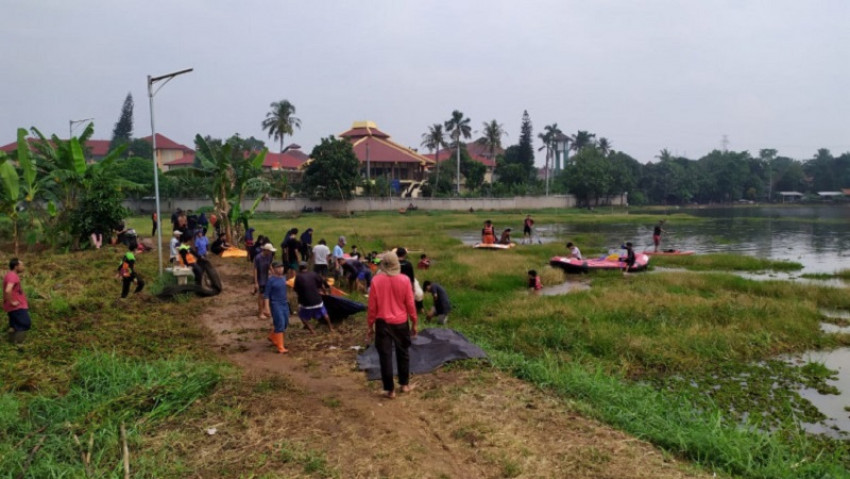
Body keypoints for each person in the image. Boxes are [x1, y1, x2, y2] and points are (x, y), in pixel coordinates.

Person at [367, 251, 418, 399]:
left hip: (382, 323)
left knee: (385, 356)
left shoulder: (376, 281)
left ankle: (390, 390)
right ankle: (405, 385)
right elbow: (410, 304)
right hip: (401, 323)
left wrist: (370, 326)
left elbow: (372, 307)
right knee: (403, 353)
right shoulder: (405, 280)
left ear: (383, 265)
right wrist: (414, 322)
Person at [293, 262, 334, 334]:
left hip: (306, 303)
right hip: (317, 300)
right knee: (325, 313)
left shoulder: (298, 277)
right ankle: (330, 327)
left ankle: (312, 331)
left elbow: (296, 290)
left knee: (302, 316)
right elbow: (321, 285)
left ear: (299, 269)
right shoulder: (313, 274)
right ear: (307, 267)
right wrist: (325, 293)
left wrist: (300, 300)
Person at [263, 261, 289, 353]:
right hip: (276, 304)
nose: (280, 269)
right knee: (280, 323)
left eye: (281, 267)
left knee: (285, 322)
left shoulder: (284, 278)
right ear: (273, 269)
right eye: (278, 267)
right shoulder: (271, 280)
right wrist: (266, 308)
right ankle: (280, 347)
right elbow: (266, 295)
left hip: (284, 303)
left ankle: (272, 336)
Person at [4, 258, 31, 345]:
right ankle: (18, 344)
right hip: (16, 306)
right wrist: (12, 302)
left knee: (15, 325)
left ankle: (11, 343)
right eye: (21, 265)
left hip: (14, 306)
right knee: (25, 323)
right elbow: (8, 290)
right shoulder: (12, 276)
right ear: (16, 266)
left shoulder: (10, 275)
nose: (23, 267)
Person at [254, 243, 276, 320]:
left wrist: (274, 273)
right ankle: (260, 313)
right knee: (261, 296)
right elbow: (255, 270)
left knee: (266, 296)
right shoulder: (258, 257)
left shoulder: (269, 256)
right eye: (270, 251)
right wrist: (256, 282)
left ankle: (264, 310)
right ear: (266, 250)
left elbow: (269, 265)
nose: (271, 252)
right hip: (261, 279)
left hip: (267, 279)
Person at [396, 247, 420, 312]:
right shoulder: (408, 264)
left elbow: (378, 262)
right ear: (404, 254)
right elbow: (412, 278)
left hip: (395, 285)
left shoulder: (393, 263)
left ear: (396, 254)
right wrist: (413, 288)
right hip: (406, 285)